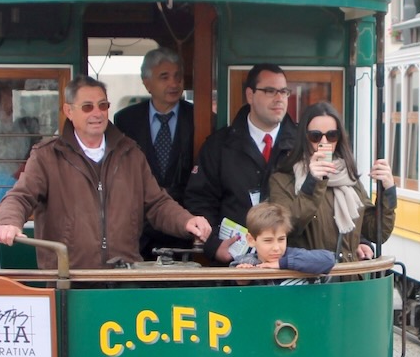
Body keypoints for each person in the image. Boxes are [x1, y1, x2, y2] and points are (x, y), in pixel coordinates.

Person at [0, 74, 212, 269]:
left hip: (124, 280)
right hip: (68, 280)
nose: (97, 113)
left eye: (103, 105)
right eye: (87, 107)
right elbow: (20, 196)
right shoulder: (46, 156)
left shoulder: (131, 153)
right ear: (68, 111)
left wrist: (186, 221)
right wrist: (9, 222)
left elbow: (157, 203)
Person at [183, 64, 298, 264]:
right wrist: (213, 246)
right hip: (234, 268)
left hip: (289, 265)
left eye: (284, 91)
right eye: (270, 91)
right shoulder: (218, 145)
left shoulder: (302, 145)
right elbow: (199, 201)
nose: (279, 98)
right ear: (250, 95)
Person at [268, 101, 396, 262]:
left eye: (331, 135)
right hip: (310, 281)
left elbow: (376, 232)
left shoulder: (347, 177)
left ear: (339, 138)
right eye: (315, 136)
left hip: (350, 280)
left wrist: (388, 191)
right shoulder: (282, 179)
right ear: (304, 138)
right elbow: (286, 228)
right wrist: (312, 182)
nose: (324, 143)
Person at [114, 47, 196, 258]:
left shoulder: (201, 118)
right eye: (164, 77)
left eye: (178, 76)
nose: (174, 83)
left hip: (185, 227)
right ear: (146, 82)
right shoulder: (125, 120)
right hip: (139, 229)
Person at [231, 201, 336, 274]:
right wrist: (242, 278)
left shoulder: (293, 255)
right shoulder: (245, 261)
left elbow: (329, 259)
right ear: (251, 240)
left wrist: (284, 263)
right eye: (268, 241)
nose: (276, 248)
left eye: (281, 239)